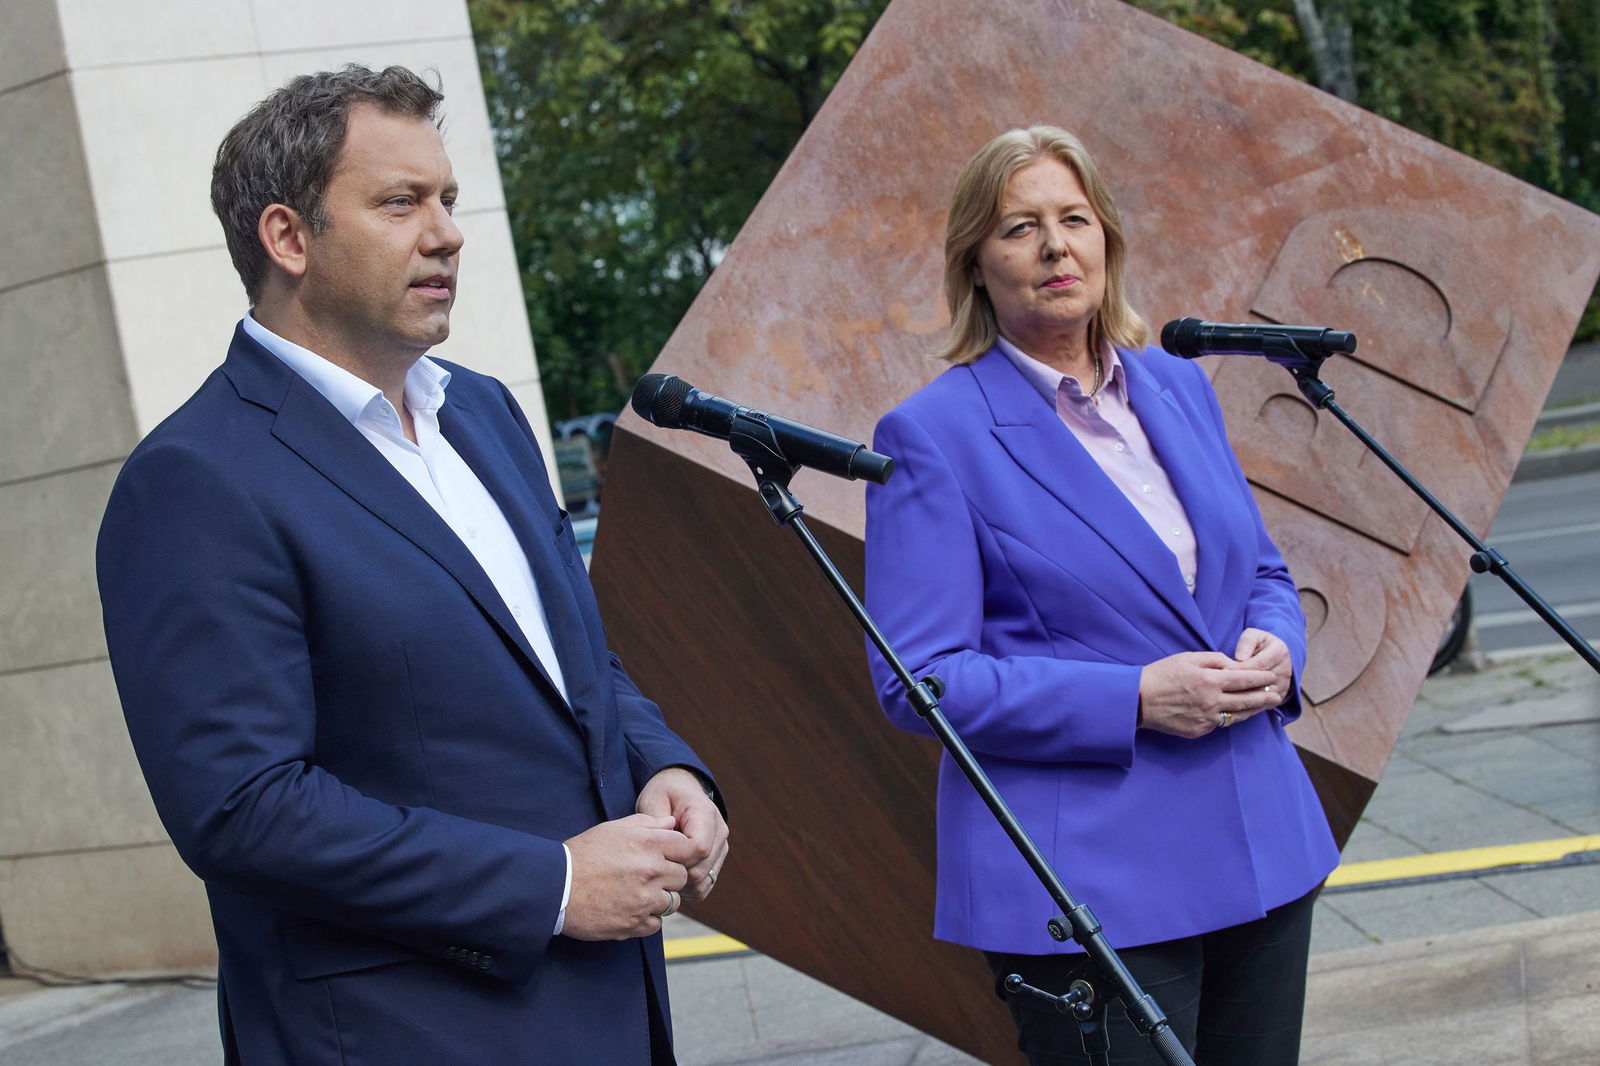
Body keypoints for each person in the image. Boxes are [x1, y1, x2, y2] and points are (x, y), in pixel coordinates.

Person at [96, 65, 728, 1065]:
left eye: (447, 200)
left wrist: (662, 762)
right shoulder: (195, 479)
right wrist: (550, 885)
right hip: (408, 1030)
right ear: (288, 237)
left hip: (609, 1008)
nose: (446, 232)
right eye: (400, 202)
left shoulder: (481, 412)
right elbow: (242, 806)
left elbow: (568, 658)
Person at [863, 126, 1338, 1065]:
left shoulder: (1176, 386)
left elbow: (1263, 576)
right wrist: (1134, 699)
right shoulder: (932, 435)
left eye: (1074, 219)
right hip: (1094, 880)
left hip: (1263, 842)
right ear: (976, 262)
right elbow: (917, 679)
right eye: (1019, 227)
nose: (1054, 247)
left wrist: (1280, 647)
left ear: (1107, 240)